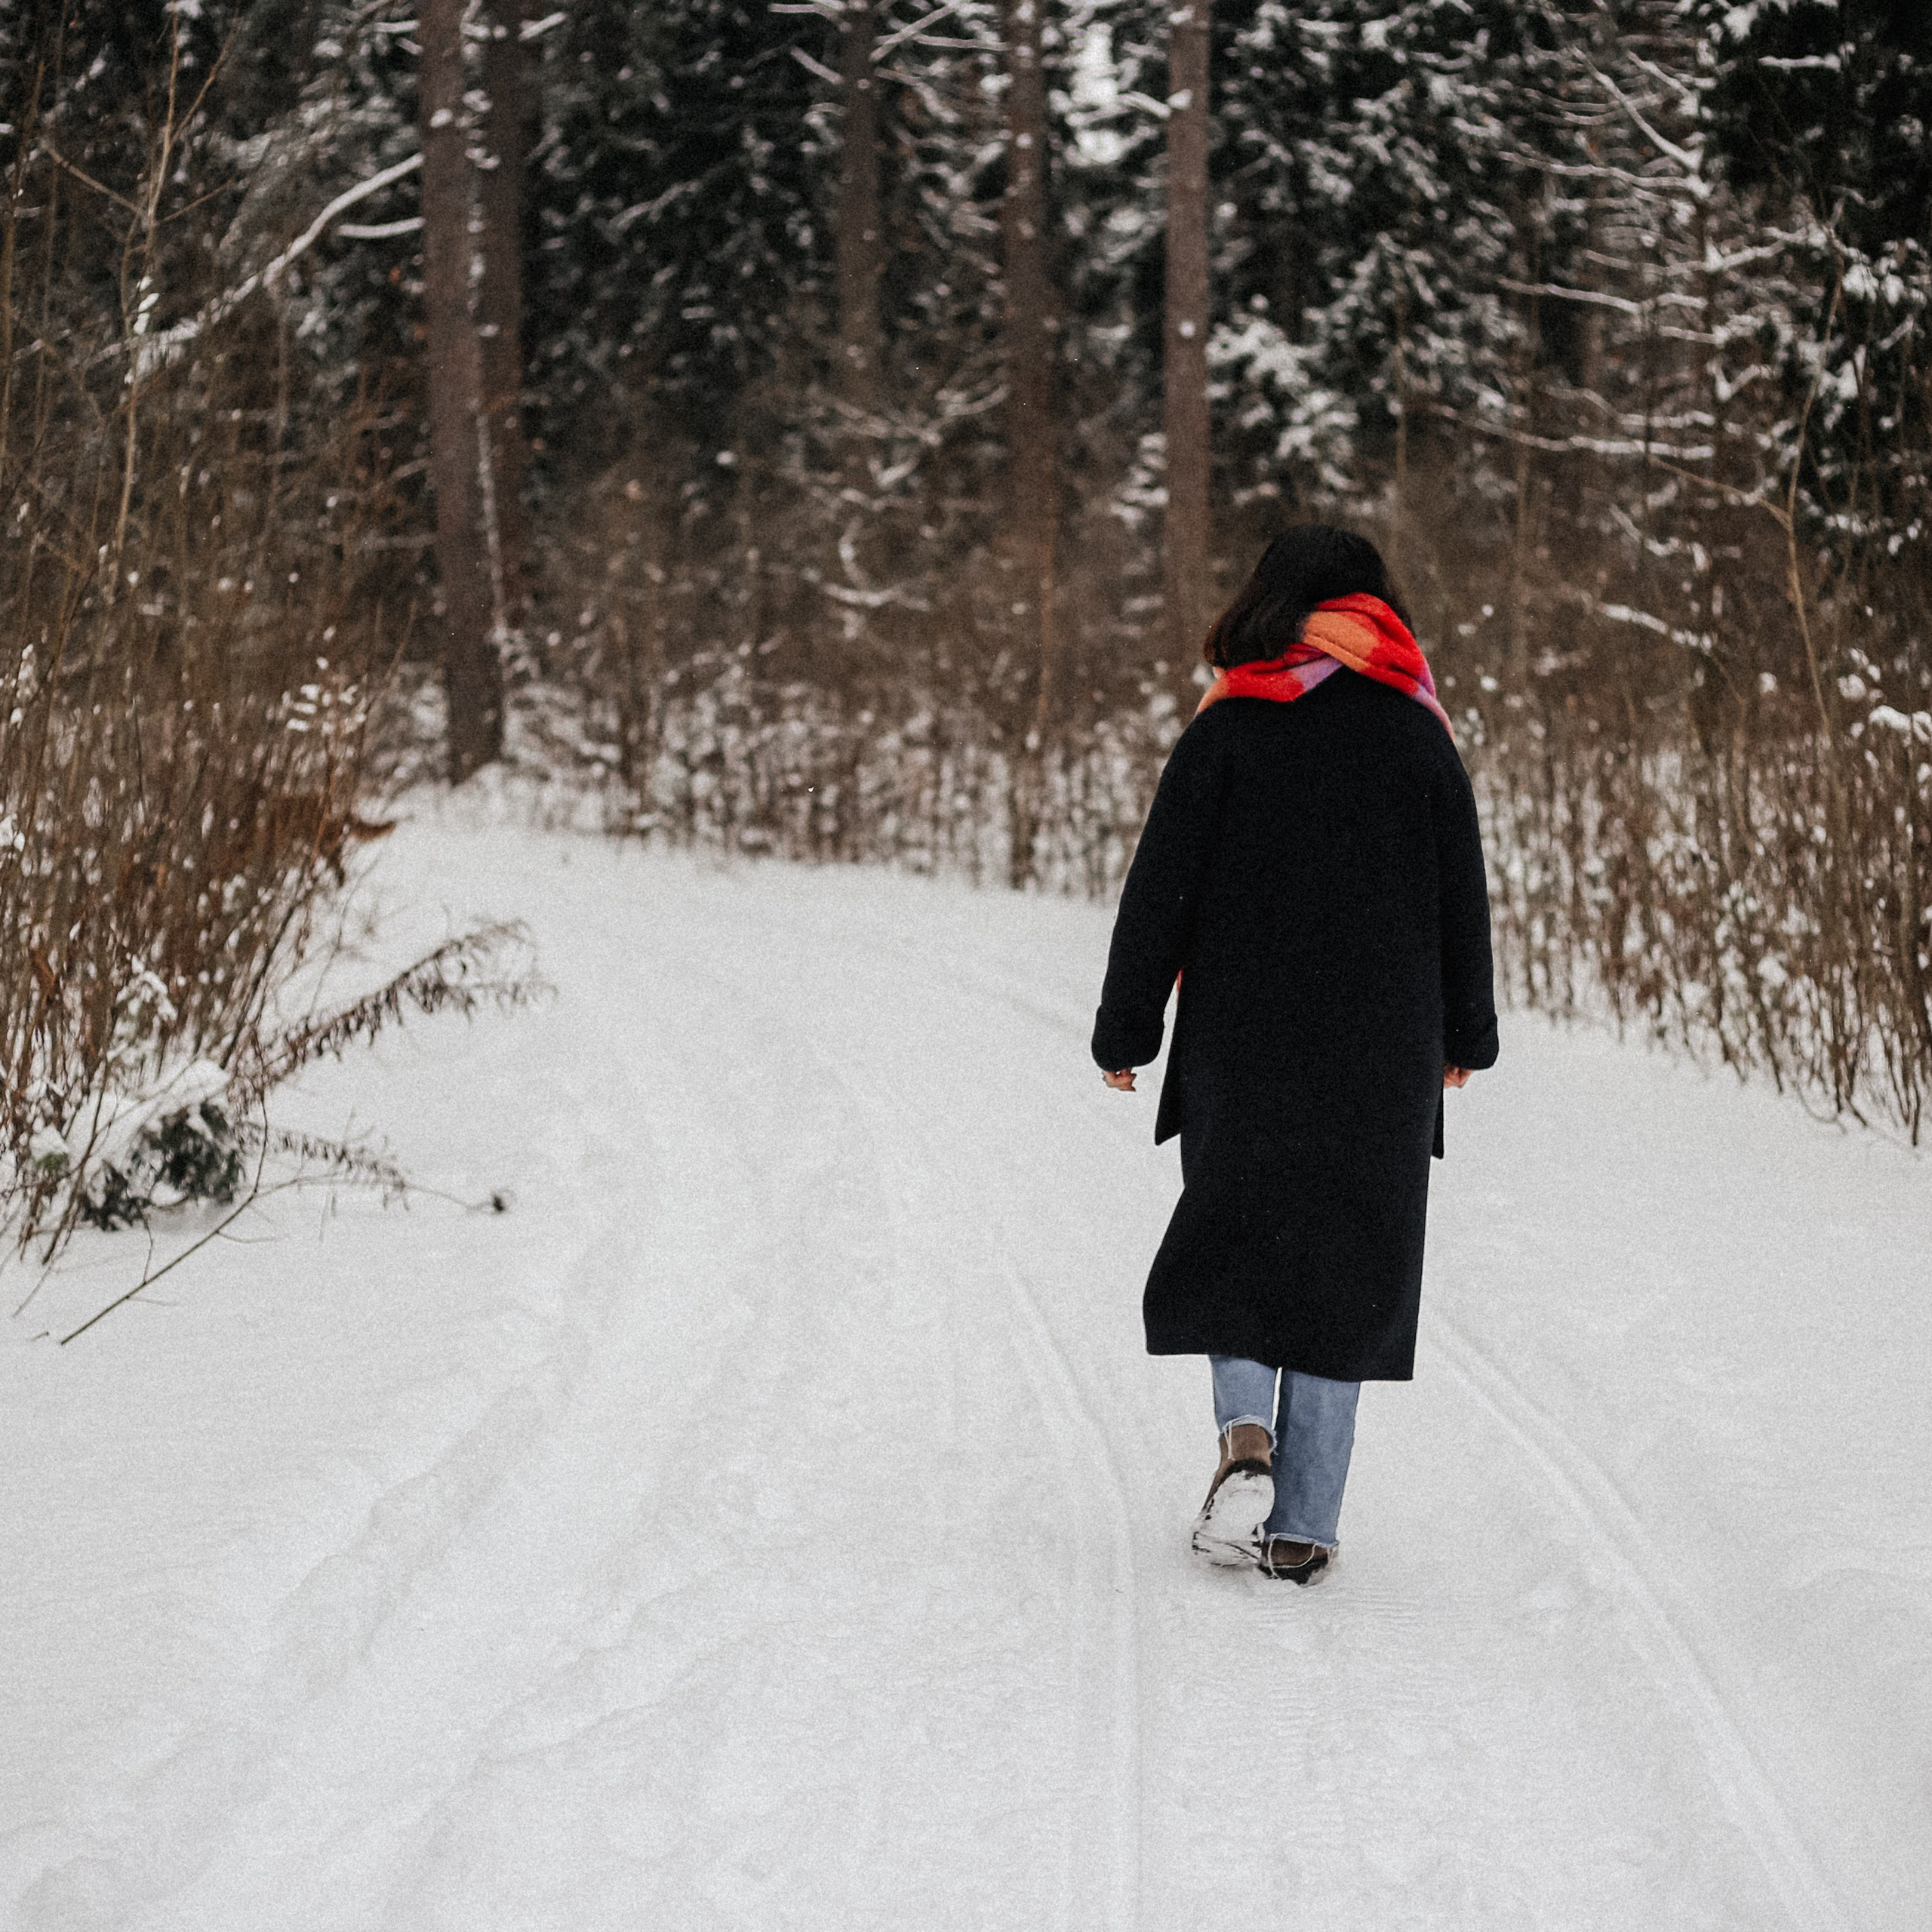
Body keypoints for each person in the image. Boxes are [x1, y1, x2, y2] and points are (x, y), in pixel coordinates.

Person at [1091, 525, 1498, 1585]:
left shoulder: (1233, 723)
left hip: (1244, 1036)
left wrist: (1127, 1026)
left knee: (1239, 1234)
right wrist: (1467, 1036)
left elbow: (1161, 888)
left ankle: (1244, 1439)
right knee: (1349, 1269)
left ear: (1271, 601)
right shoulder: (1419, 731)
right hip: (1382, 1050)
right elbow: (1463, 895)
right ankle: (1306, 1525)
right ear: (1377, 607)